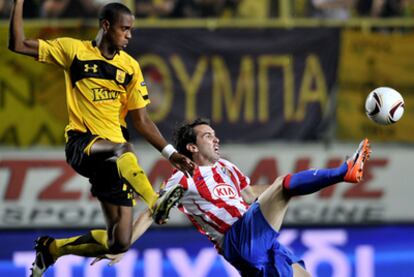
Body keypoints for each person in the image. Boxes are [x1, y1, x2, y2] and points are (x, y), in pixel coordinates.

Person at [8, 1, 195, 276]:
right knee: (122, 147)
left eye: (131, 30)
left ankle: (52, 249)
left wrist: (170, 153)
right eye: (125, 29)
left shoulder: (130, 68)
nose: (129, 35)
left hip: (115, 163)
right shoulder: (74, 51)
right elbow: (18, 44)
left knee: (119, 242)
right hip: (83, 144)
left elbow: (141, 120)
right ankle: (157, 202)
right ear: (106, 26)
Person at [93, 118, 371, 276]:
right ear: (191, 147)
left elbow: (249, 194)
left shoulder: (226, 167)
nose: (216, 140)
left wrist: (282, 191)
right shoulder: (183, 178)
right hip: (238, 239)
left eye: (215, 135)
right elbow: (151, 212)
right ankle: (344, 171)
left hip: (262, 243)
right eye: (207, 136)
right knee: (283, 185)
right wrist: (124, 245)